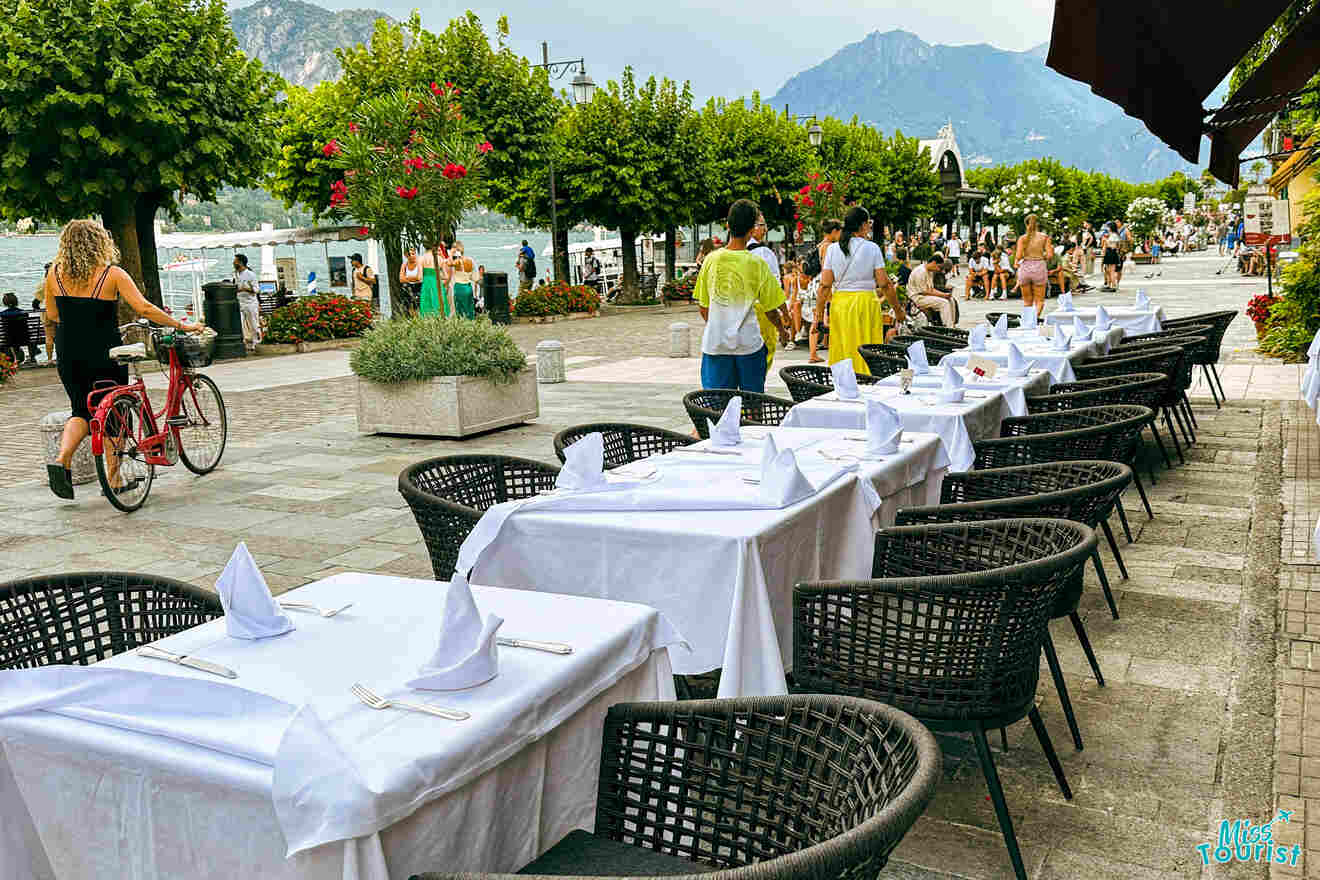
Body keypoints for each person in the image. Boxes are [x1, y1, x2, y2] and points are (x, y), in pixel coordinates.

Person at [43, 219, 201, 499]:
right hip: (103, 351)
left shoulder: (54, 275)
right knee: (115, 412)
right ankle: (114, 480)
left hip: (69, 352)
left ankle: (62, 459)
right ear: (100, 242)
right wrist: (181, 325)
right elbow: (144, 307)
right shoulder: (112, 274)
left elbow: (53, 315)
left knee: (80, 409)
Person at [692, 198, 786, 393]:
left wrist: (720, 324)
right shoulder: (757, 264)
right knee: (753, 402)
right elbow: (771, 310)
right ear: (752, 230)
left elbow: (704, 307)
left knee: (715, 404)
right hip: (749, 344)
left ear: (727, 225)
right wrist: (783, 331)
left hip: (715, 344)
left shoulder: (711, 260)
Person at [818, 206, 905, 374]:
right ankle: (867, 378)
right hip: (866, 303)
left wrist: (818, 316)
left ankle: (844, 382)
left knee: (843, 347)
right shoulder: (872, 248)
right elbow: (885, 284)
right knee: (867, 346)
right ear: (864, 225)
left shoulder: (832, 249)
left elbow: (825, 285)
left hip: (840, 304)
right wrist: (898, 310)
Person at [803, 219, 842, 364]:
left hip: (815, 282)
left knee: (816, 318)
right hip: (823, 282)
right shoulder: (828, 246)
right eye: (839, 232)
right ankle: (817, 353)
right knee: (823, 318)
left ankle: (813, 353)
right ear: (834, 232)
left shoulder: (819, 244)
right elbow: (827, 268)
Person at [1014, 214, 1052, 316]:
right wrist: (1041, 256)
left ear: (1026, 224)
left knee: (1027, 302)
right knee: (1039, 301)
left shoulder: (1022, 238)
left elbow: (1018, 256)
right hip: (1039, 267)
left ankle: (1028, 321)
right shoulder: (1044, 237)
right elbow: (1049, 255)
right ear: (1038, 224)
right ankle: (1034, 319)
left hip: (1025, 268)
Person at [907, 254, 956, 327]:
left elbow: (931, 289)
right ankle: (949, 327)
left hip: (925, 296)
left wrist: (945, 295)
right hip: (917, 298)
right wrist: (943, 295)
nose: (939, 270)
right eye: (938, 267)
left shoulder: (929, 272)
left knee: (951, 300)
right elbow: (924, 291)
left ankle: (952, 324)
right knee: (944, 303)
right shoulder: (920, 271)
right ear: (933, 263)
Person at [232, 253, 260, 352]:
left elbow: (256, 290)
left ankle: (256, 343)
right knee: (239, 324)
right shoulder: (235, 274)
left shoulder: (250, 274)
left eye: (235, 261)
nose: (233, 262)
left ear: (240, 262)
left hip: (250, 303)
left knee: (253, 324)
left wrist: (246, 288)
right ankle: (242, 343)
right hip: (239, 302)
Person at [0, 292, 33, 365]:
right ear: (16, 302)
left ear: (5, 303)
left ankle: (15, 359)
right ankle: (31, 357)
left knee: (10, 337)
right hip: (25, 338)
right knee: (29, 336)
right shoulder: (24, 313)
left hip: (10, 340)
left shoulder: (2, 314)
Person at [449, 243, 476, 319]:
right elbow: (474, 277)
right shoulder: (470, 260)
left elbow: (450, 263)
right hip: (468, 286)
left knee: (460, 311)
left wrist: (451, 254)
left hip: (460, 287)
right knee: (469, 310)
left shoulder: (458, 261)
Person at [418, 244, 446, 317]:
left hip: (427, 283)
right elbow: (445, 276)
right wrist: (435, 275)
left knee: (427, 304)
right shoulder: (439, 258)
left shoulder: (421, 258)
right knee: (438, 302)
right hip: (437, 283)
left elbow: (419, 277)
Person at [399, 247, 423, 314]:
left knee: (418, 308)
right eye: (409, 254)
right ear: (406, 255)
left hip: (418, 288)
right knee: (408, 308)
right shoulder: (404, 265)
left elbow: (419, 278)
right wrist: (413, 278)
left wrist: (406, 278)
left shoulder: (419, 263)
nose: (412, 256)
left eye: (413, 254)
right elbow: (401, 279)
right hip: (408, 289)